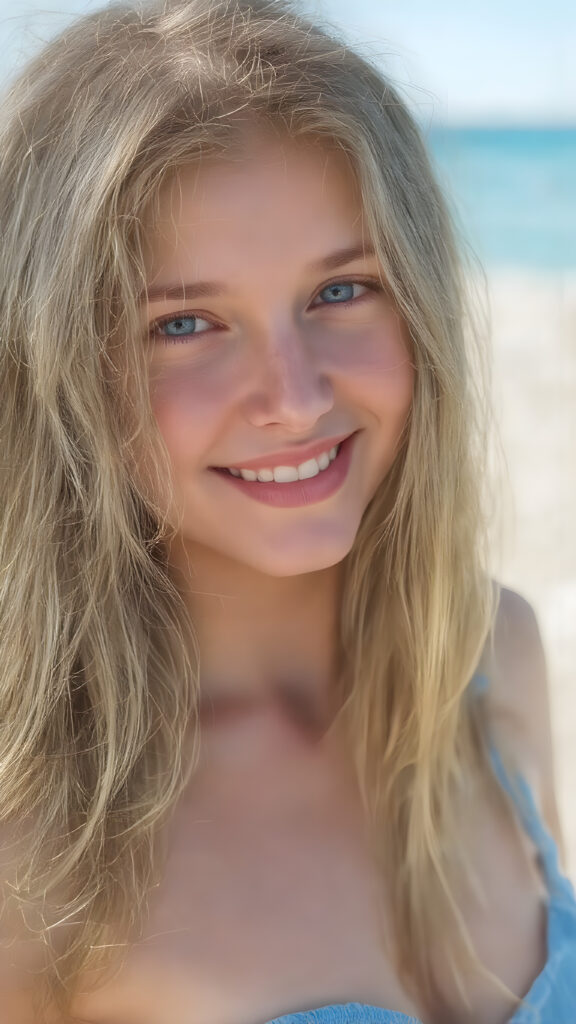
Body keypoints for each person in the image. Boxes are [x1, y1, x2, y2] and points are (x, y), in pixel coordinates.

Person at [0, 0, 574, 1021]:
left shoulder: (493, 656)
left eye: (343, 291)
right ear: (56, 374)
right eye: (184, 323)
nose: (298, 396)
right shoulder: (34, 850)